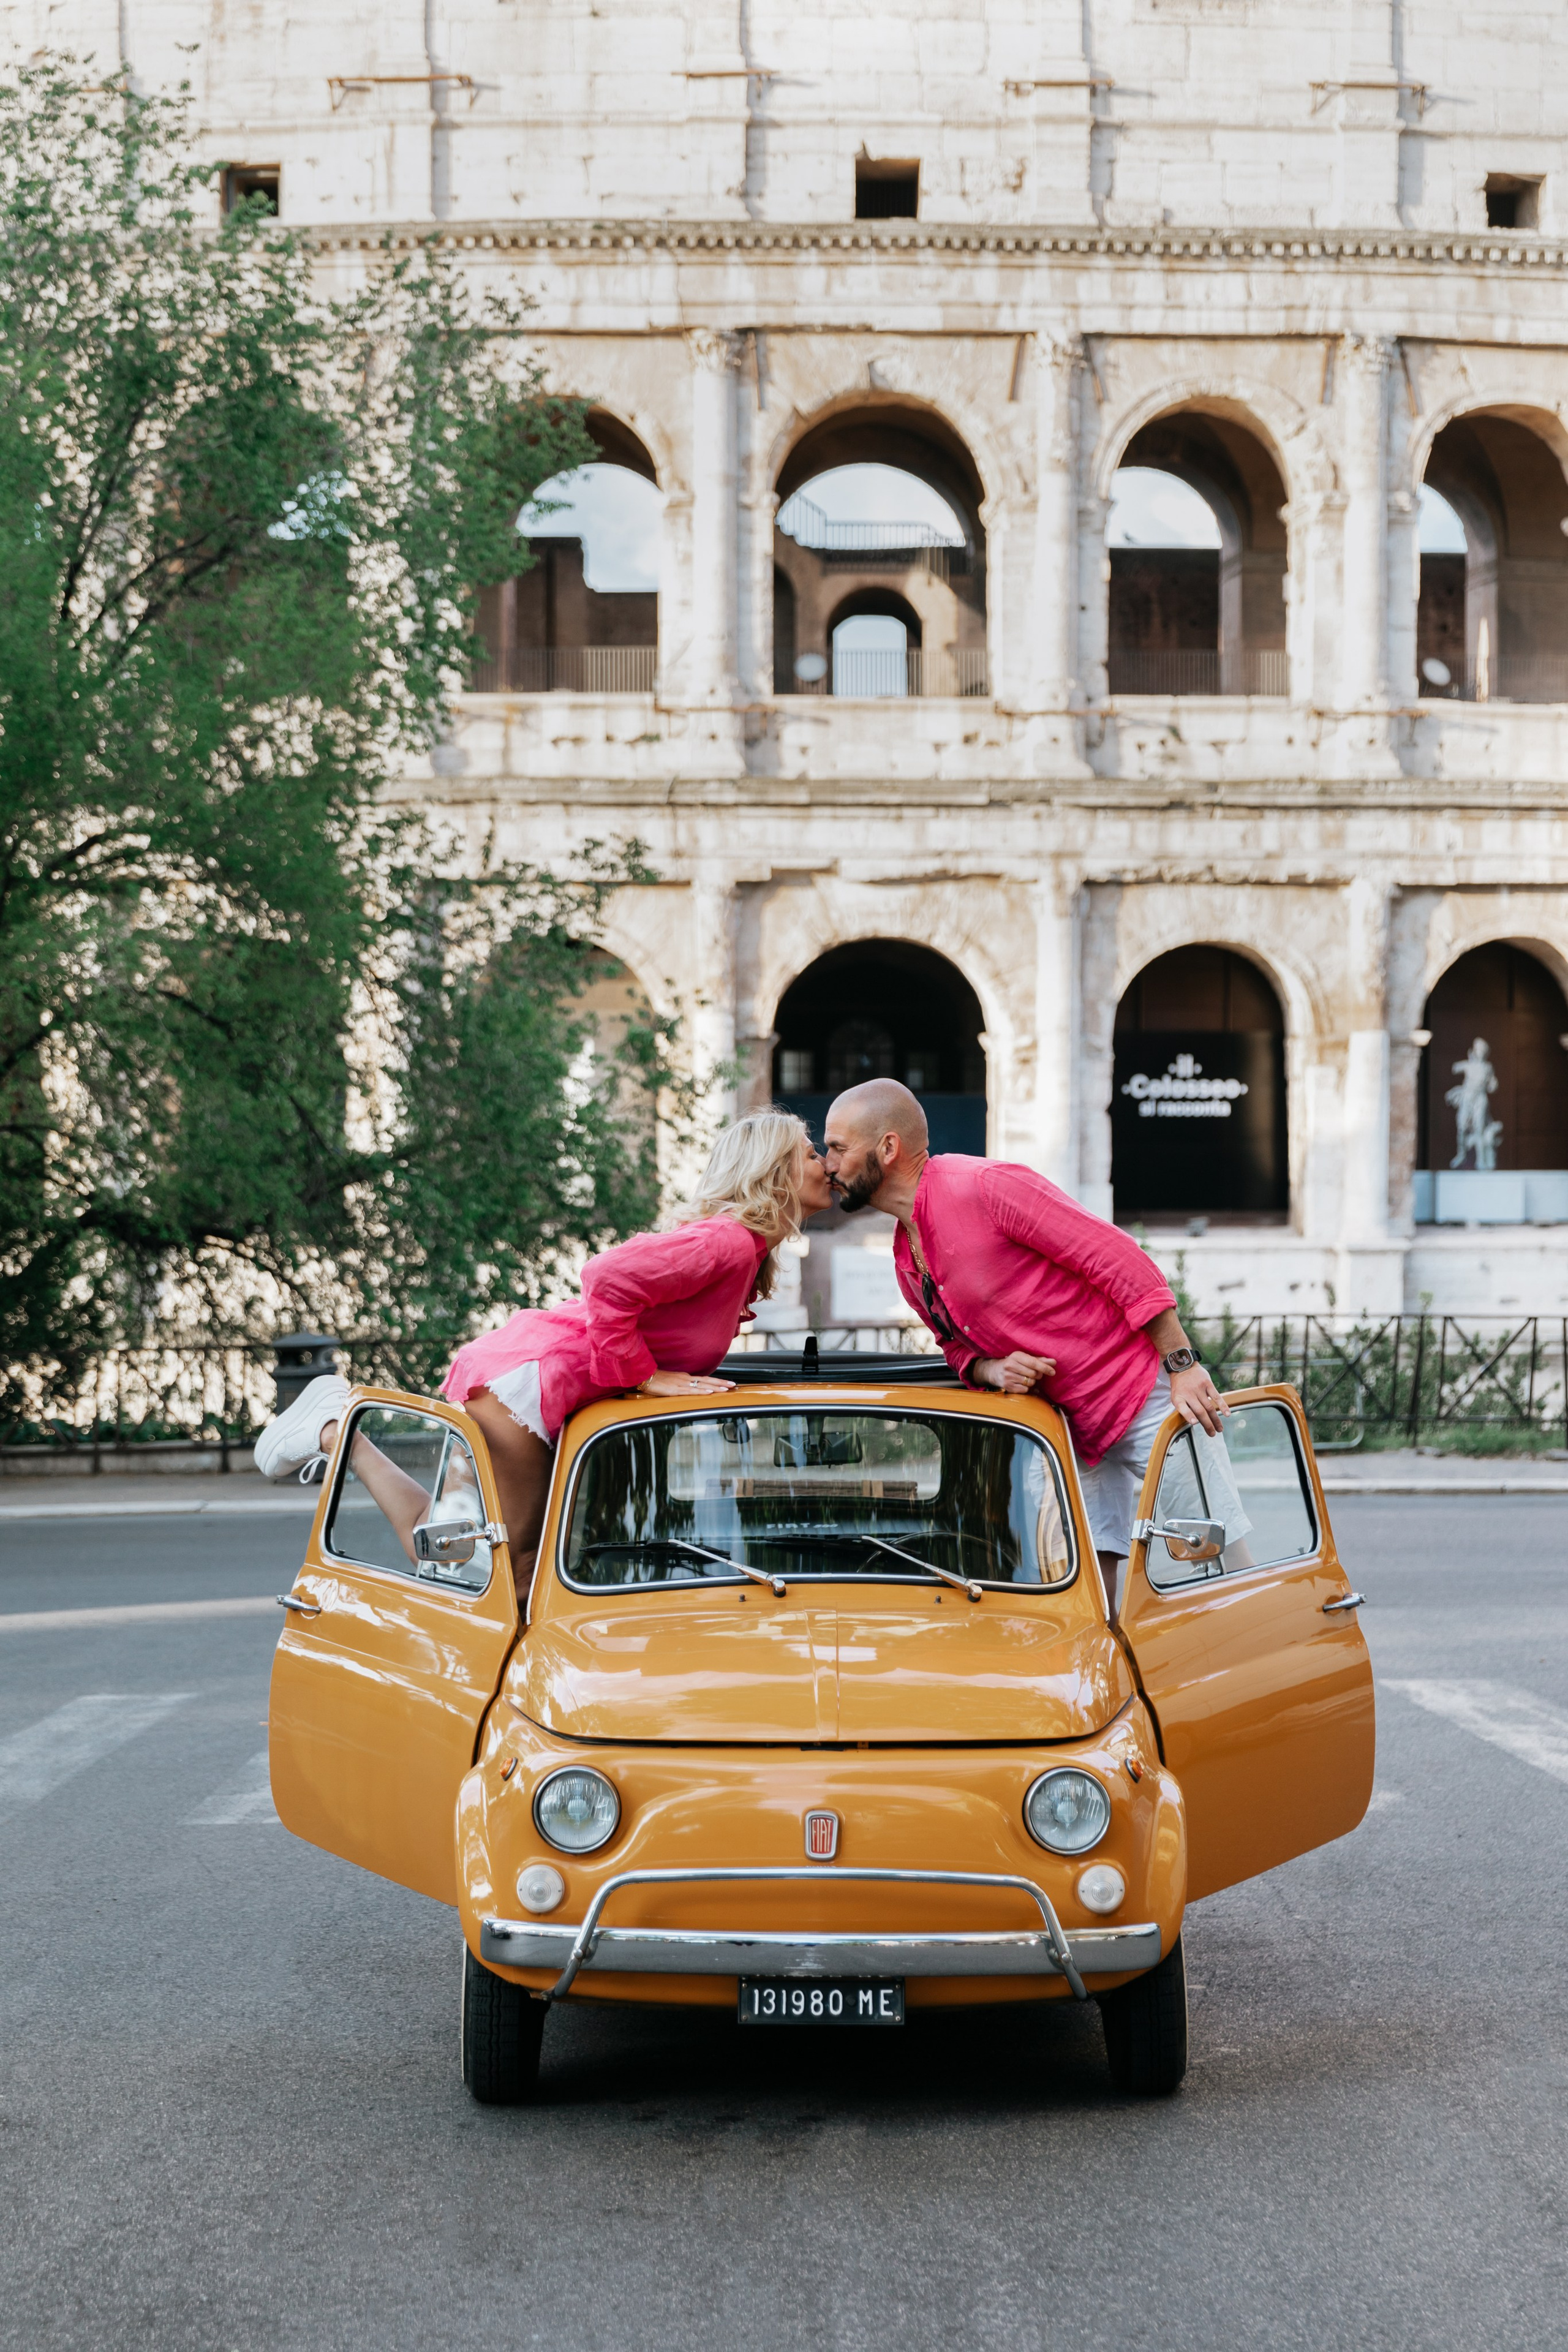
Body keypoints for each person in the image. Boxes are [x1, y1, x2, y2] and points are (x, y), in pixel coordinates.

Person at [254, 1110, 833, 1597]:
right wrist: (645, 1376)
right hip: (530, 1387)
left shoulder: (745, 1249)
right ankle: (336, 1429)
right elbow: (606, 1278)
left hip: (542, 1382)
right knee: (497, 1566)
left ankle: (340, 1429)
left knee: (468, 1551)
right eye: (811, 1154)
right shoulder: (728, 1240)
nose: (826, 1164)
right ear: (775, 1171)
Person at [820, 1079, 1250, 1623]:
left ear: (888, 1148)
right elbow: (953, 1346)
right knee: (1086, 1599)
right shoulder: (906, 1254)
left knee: (1220, 1562)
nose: (827, 1164)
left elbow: (1117, 1256)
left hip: (1143, 1397)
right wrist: (989, 1368)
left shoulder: (985, 1186)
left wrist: (1181, 1366)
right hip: (1066, 1428)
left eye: (837, 1147)